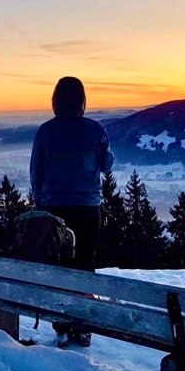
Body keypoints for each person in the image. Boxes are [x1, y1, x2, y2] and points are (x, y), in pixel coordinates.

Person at [29, 76, 115, 348]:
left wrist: (39, 204)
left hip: (54, 209)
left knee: (60, 266)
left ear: (55, 101)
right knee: (85, 266)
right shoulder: (95, 130)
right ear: (82, 101)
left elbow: (36, 173)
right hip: (89, 208)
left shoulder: (45, 131)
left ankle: (62, 324)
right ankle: (82, 326)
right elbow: (106, 165)